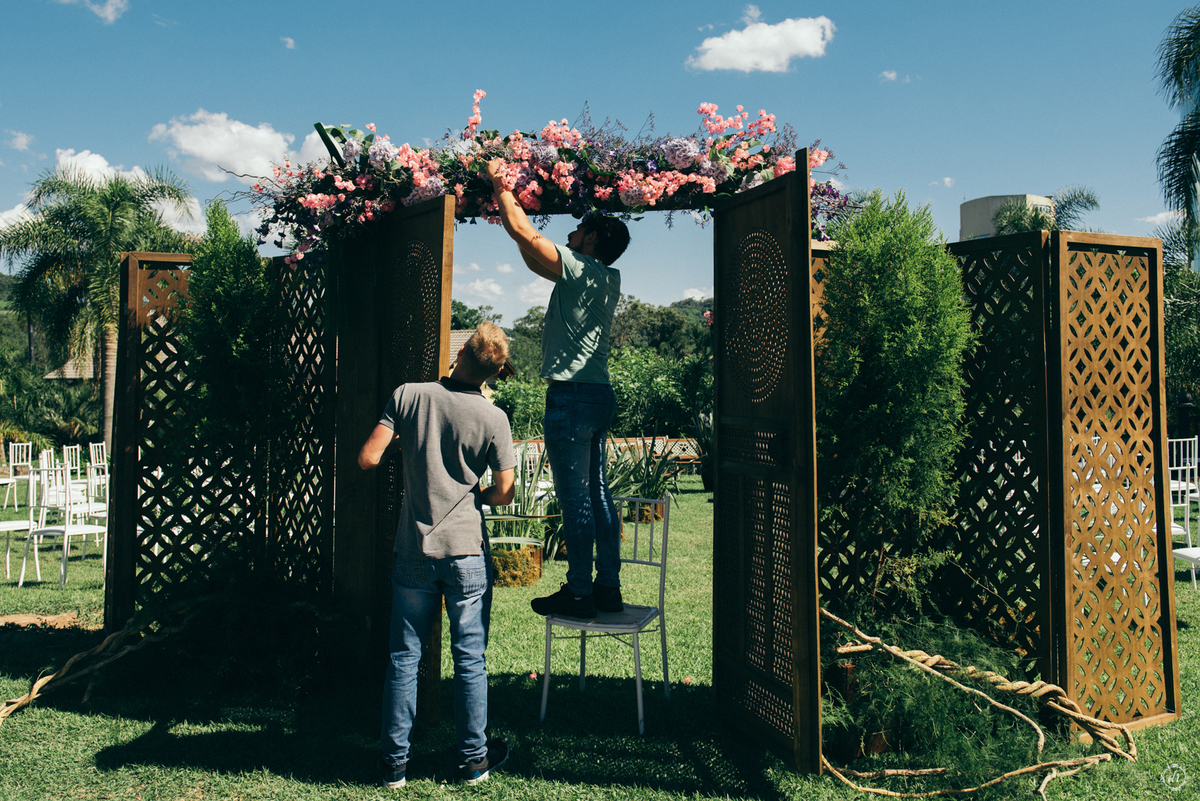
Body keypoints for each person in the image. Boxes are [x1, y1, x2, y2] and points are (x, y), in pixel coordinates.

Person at [358, 321, 516, 788]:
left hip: (414, 550)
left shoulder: (409, 395)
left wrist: (413, 448)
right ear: (494, 369)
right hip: (466, 551)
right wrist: (474, 496)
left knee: (405, 658)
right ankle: (472, 761)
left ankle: (393, 766)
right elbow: (504, 493)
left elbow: (368, 458)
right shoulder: (494, 418)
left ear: (462, 350)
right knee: (470, 659)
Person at [486, 157, 631, 620]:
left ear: (591, 239)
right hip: (598, 394)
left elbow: (528, 237)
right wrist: (517, 233)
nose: (570, 233)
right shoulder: (605, 277)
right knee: (599, 494)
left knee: (576, 499)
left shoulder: (582, 267)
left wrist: (499, 184)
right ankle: (607, 587)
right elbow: (530, 250)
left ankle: (580, 593)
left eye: (579, 228)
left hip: (570, 396)